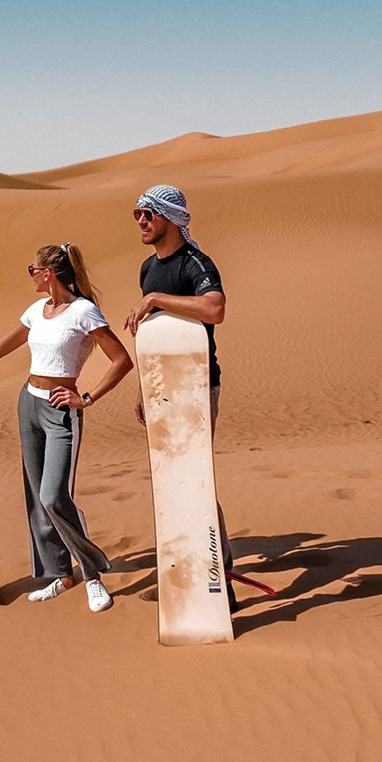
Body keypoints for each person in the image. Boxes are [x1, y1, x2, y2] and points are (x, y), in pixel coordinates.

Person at [0, 243, 133, 613]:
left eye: (32, 269)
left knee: (55, 496)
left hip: (60, 411)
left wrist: (86, 397)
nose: (30, 275)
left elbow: (121, 360)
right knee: (37, 498)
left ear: (48, 273)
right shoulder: (37, 310)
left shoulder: (84, 312)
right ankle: (61, 574)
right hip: (29, 404)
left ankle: (92, 575)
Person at [122, 184, 241, 611]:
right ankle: (181, 575)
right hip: (161, 387)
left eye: (147, 214)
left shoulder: (196, 264)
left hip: (197, 385)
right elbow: (151, 334)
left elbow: (215, 309)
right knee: (171, 482)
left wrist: (155, 298)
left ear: (169, 218)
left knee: (195, 480)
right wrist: (143, 387)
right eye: (137, 213)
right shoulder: (146, 268)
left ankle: (219, 579)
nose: (140, 221)